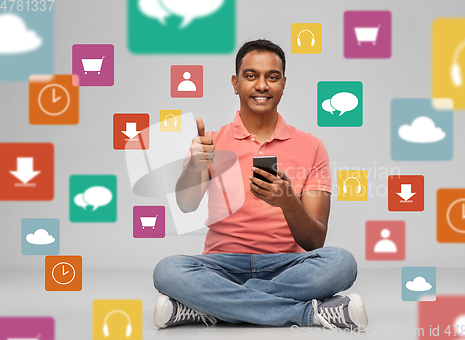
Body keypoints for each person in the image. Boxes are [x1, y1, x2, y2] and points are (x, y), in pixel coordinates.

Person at [152, 39, 368, 330]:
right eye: (251, 75)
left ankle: (206, 307)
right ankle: (306, 314)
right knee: (167, 271)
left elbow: (315, 242)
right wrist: (195, 163)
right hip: (221, 266)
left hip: (288, 267)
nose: (262, 85)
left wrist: (288, 201)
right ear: (235, 83)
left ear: (283, 83)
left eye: (272, 77)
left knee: (342, 263)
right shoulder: (212, 142)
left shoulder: (312, 146)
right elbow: (186, 204)